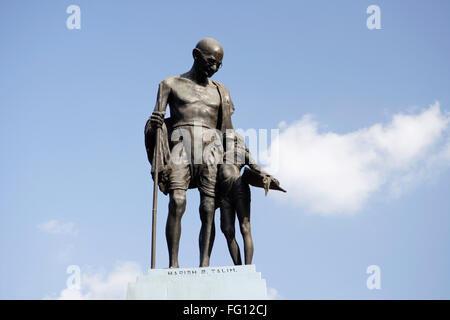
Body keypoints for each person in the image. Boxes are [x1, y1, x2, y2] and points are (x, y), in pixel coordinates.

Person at [146, 38, 234, 268]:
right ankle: (173, 264)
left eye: (219, 65)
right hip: (180, 145)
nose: (213, 68)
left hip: (211, 150)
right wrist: (153, 124)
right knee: (177, 201)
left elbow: (229, 131)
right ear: (196, 55)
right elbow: (157, 121)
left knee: (208, 208)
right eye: (210, 61)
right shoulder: (170, 84)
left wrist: (237, 161)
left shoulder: (220, 91)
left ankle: (204, 264)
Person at [217, 131, 284, 265]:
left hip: (239, 187)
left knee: (244, 227)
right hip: (224, 195)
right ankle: (238, 266)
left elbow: (255, 167)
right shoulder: (218, 157)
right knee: (227, 230)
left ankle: (247, 267)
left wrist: (268, 176)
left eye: (228, 139)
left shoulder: (241, 153)